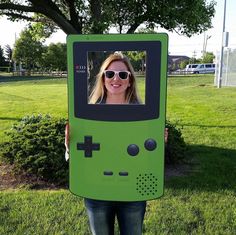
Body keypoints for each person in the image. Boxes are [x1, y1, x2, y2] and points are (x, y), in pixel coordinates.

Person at [65, 52, 168, 235]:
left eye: (123, 74)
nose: (116, 79)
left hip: (133, 192)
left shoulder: (146, 116)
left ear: (130, 81)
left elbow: (148, 156)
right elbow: (81, 155)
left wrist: (160, 144)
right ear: (103, 79)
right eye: (110, 74)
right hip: (96, 190)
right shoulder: (87, 115)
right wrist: (69, 146)